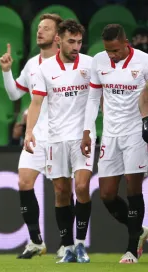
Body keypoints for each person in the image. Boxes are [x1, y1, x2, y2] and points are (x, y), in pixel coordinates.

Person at [0, 13, 72, 259]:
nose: (40, 32)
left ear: (58, 36)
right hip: (36, 136)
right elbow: (14, 95)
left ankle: (66, 244)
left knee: (62, 190)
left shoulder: (69, 65)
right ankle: (35, 241)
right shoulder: (32, 64)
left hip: (61, 136)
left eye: (46, 28)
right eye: (38, 28)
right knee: (24, 182)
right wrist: (7, 71)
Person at [24, 19, 95, 263]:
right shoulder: (44, 69)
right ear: (59, 41)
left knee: (83, 186)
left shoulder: (90, 64)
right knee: (61, 191)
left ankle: (80, 244)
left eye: (79, 42)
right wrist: (29, 131)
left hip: (82, 136)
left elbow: (100, 97)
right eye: (71, 41)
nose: (76, 46)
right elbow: (36, 102)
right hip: (55, 137)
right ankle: (66, 246)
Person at [82, 24, 148, 264]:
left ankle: (131, 249)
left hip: (135, 133)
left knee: (133, 188)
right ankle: (139, 231)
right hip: (109, 134)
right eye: (109, 51)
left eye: (117, 50)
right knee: (107, 194)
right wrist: (87, 130)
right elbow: (93, 98)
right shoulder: (98, 62)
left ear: (126, 42)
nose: (113, 55)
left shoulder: (144, 61)